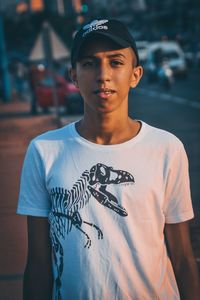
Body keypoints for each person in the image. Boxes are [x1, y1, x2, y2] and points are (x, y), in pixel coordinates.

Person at [17, 19, 200, 300]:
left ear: (135, 74)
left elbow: (184, 258)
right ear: (74, 76)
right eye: (89, 63)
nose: (103, 75)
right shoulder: (44, 151)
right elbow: (39, 264)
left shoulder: (167, 148)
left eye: (115, 62)